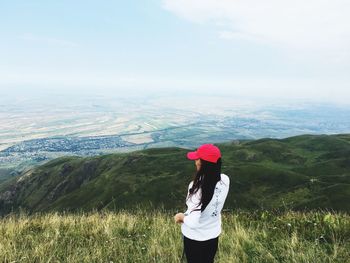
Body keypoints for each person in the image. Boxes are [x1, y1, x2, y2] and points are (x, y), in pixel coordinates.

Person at [174, 143, 230, 263]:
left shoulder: (196, 188)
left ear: (202, 164)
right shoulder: (225, 180)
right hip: (213, 235)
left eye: (197, 159)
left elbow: (193, 222)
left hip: (194, 238)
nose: (195, 162)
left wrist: (181, 217)